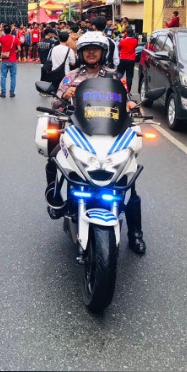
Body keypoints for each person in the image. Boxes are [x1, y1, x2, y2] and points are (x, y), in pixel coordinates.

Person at [47, 31, 144, 252]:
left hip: (110, 132)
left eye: (96, 49)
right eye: (87, 49)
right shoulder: (70, 76)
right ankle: (54, 196)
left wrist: (131, 106)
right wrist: (64, 95)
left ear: (103, 52)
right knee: (55, 156)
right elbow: (54, 103)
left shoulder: (113, 76)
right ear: (80, 53)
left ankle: (135, 233)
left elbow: (126, 99)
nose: (91, 52)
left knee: (128, 177)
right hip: (80, 131)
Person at [0, 23, 19, 97]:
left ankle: (3, 92)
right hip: (13, 59)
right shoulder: (15, 38)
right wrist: (14, 52)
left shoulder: (2, 38)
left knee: (3, 76)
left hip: (4, 60)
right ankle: (12, 92)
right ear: (10, 31)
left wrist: (0, 30)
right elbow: (19, 48)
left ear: (4, 31)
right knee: (13, 76)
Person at [118, 24, 139, 94]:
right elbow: (136, 45)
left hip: (122, 59)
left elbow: (119, 48)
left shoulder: (122, 41)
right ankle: (128, 91)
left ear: (126, 33)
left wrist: (124, 37)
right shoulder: (135, 41)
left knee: (119, 74)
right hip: (131, 60)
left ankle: (117, 88)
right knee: (129, 77)